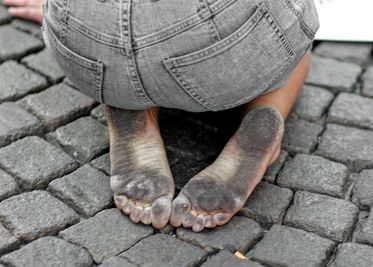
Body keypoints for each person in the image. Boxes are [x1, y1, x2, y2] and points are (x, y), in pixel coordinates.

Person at [4, 0, 319, 232]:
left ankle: (130, 104)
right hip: (219, 48)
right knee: (295, 35)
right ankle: (266, 112)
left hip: (87, 44)